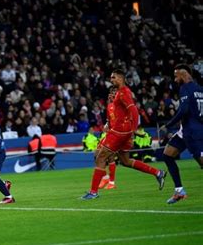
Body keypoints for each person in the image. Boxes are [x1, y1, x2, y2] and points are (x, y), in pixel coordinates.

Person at [82, 69, 167, 200]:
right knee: (125, 161)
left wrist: (133, 129)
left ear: (121, 78)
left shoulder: (124, 93)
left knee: (100, 157)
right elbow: (120, 112)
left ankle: (93, 192)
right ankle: (158, 173)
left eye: (113, 77)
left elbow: (133, 110)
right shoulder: (119, 94)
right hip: (123, 131)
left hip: (120, 132)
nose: (111, 80)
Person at [159, 64, 203, 204]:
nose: (175, 78)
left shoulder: (185, 88)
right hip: (187, 130)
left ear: (183, 75)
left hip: (192, 132)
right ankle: (179, 190)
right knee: (167, 155)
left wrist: (168, 125)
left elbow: (183, 111)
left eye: (176, 75)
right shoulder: (200, 89)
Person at [98, 88, 118, 190]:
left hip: (118, 135)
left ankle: (111, 182)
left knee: (110, 157)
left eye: (114, 93)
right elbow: (109, 120)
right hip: (110, 134)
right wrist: (106, 125)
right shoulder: (109, 106)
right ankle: (106, 178)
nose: (111, 95)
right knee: (97, 154)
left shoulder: (121, 106)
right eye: (110, 93)